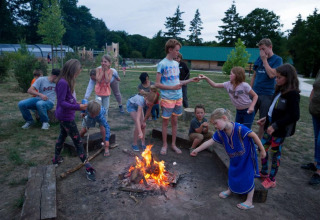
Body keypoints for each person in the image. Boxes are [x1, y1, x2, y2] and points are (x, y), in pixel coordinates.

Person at [190, 108, 266, 210]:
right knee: (232, 173)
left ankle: (249, 201)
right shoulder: (221, 132)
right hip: (234, 157)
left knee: (248, 176)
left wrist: (262, 150)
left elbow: (254, 135)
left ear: (224, 118)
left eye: (216, 123)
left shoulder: (239, 128)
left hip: (246, 157)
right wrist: (197, 150)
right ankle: (231, 190)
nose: (215, 126)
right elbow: (210, 142)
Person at [257, 64, 300, 189]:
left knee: (275, 154)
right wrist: (266, 119)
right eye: (276, 77)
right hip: (269, 126)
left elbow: (294, 115)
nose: (276, 80)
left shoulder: (292, 94)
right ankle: (264, 172)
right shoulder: (279, 89)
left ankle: (272, 179)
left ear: (288, 78)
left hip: (278, 131)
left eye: (279, 77)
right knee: (262, 148)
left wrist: (276, 125)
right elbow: (274, 108)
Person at [53, 59, 96, 181]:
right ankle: (88, 167)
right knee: (77, 141)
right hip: (65, 117)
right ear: (72, 70)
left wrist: (77, 103)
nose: (78, 73)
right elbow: (61, 103)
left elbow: (68, 99)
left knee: (62, 136)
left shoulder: (67, 81)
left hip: (66, 116)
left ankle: (56, 159)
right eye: (77, 71)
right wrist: (78, 107)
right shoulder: (62, 83)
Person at [155, 39, 200, 155]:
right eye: (176, 50)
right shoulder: (162, 64)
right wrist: (172, 88)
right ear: (170, 50)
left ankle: (173, 144)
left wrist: (190, 80)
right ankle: (165, 145)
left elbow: (177, 82)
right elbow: (157, 84)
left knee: (175, 122)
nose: (178, 53)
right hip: (167, 98)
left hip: (178, 98)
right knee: (165, 123)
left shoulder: (176, 64)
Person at [250, 38, 283, 138]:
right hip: (255, 93)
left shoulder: (277, 60)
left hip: (268, 94)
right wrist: (249, 90)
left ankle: (259, 143)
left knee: (263, 121)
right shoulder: (259, 59)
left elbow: (272, 75)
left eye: (263, 49)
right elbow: (254, 76)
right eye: (260, 49)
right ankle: (245, 139)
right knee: (248, 117)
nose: (261, 52)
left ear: (270, 47)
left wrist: (265, 60)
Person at [301, 73, 320, 185]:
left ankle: (319, 171)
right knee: (316, 138)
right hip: (315, 111)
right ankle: (315, 163)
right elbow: (314, 87)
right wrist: (311, 102)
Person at [127, 85, 158, 151]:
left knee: (143, 125)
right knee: (137, 124)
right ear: (146, 98)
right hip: (131, 106)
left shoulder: (151, 102)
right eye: (149, 104)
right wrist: (140, 132)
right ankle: (134, 144)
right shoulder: (141, 100)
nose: (149, 105)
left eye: (151, 105)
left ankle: (143, 143)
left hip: (139, 107)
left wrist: (144, 121)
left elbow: (147, 113)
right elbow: (138, 119)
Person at [95, 55, 114, 120]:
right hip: (99, 93)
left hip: (106, 93)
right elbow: (98, 80)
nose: (103, 63)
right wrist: (102, 71)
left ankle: (104, 123)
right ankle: (98, 120)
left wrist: (105, 71)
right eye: (102, 61)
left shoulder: (111, 71)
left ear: (109, 63)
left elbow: (107, 80)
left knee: (105, 109)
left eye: (105, 62)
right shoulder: (98, 69)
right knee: (98, 108)